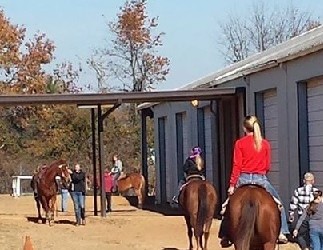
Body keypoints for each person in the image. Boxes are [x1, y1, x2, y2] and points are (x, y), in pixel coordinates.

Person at [218, 115, 289, 247]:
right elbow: (268, 166)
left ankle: (225, 235)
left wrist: (232, 185)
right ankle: (282, 232)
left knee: (227, 207)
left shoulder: (240, 143)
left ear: (244, 128)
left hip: (243, 179)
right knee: (279, 205)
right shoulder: (265, 144)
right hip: (260, 179)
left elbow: (237, 165)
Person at [289, 172, 319, 249]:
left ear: (303, 181)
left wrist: (291, 215)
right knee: (312, 235)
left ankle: (305, 248)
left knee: (301, 235)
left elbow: (293, 205)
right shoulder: (316, 191)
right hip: (313, 217)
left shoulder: (298, 191)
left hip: (302, 218)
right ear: (313, 181)